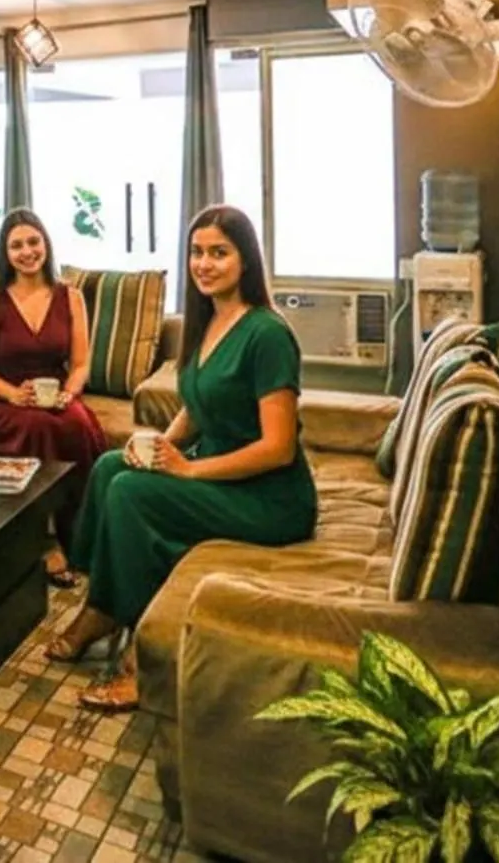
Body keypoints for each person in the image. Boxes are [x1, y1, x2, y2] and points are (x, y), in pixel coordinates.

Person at [46, 203, 316, 713]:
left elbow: (278, 448)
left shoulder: (267, 334)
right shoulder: (209, 321)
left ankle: (143, 659)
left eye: (220, 253)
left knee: (131, 493)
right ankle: (103, 604)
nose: (205, 264)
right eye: (197, 252)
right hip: (222, 472)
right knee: (110, 467)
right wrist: (156, 443)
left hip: (269, 497)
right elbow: (198, 403)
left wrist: (189, 467)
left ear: (246, 261)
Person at [0, 208, 108, 586]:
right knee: (36, 426)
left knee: (78, 425)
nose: (27, 251)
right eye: (17, 245)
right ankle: (43, 539)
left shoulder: (72, 297)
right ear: (6, 253)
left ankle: (83, 538)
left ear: (46, 244)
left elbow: (80, 364)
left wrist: (69, 393)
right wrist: (14, 395)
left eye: (34, 242)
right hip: (4, 398)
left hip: (56, 394)